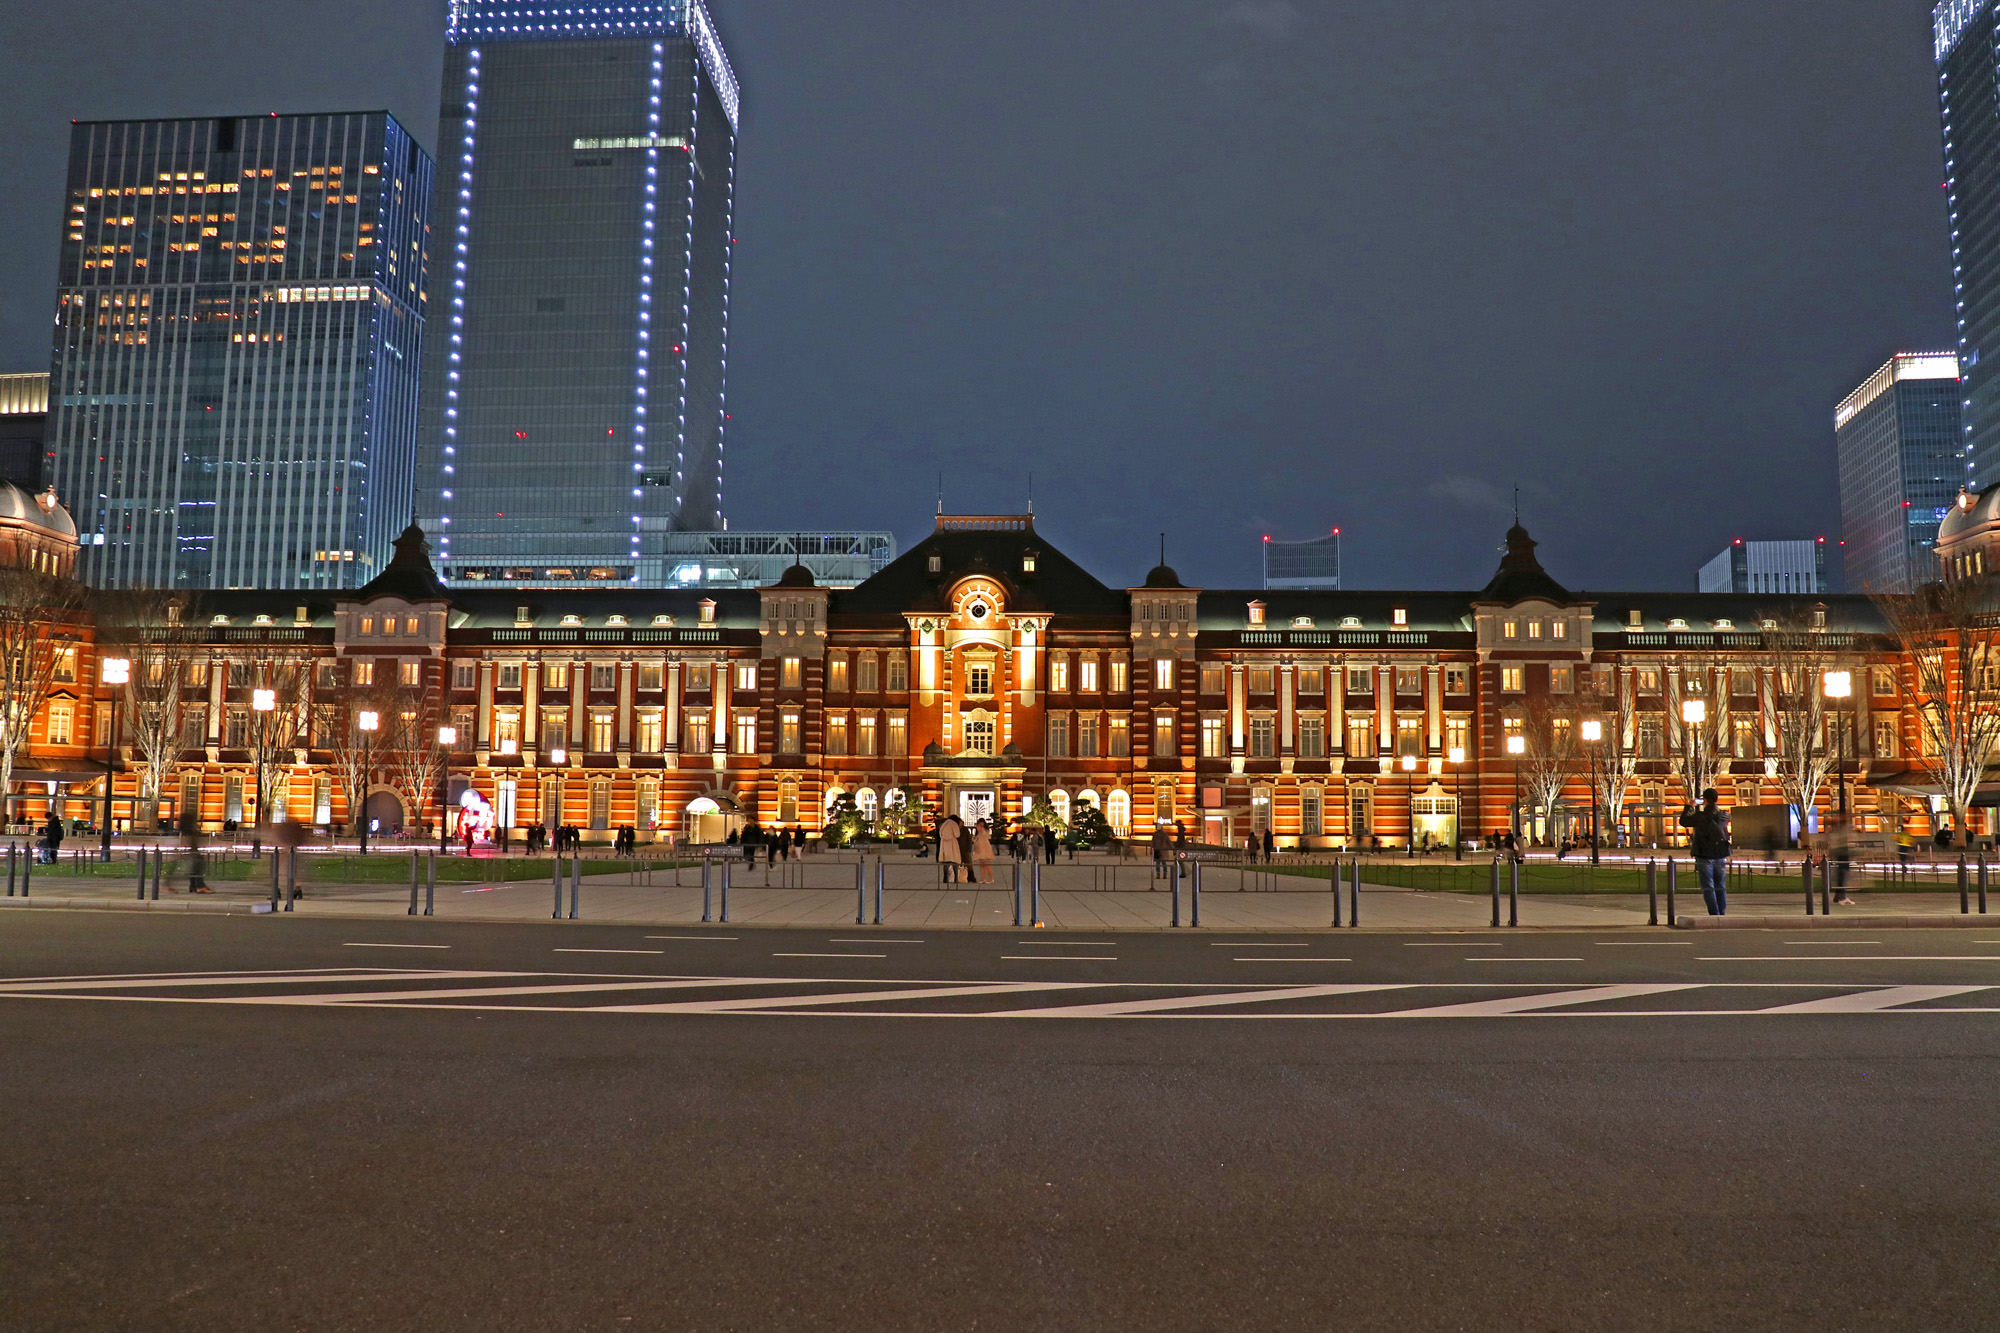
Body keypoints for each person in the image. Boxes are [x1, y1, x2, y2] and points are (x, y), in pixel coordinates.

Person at [1679, 788, 1732, 916]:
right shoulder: (1724, 815)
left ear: (1705, 800)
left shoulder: (1700, 817)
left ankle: (1714, 913)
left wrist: (1690, 806)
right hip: (1720, 853)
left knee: (1708, 886)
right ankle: (1721, 912)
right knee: (1720, 885)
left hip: (1704, 854)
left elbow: (1684, 821)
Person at [937, 813, 963, 883]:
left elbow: (940, 834)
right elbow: (957, 835)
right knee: (955, 861)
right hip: (952, 844)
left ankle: (945, 878)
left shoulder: (944, 824)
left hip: (944, 844)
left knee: (946, 862)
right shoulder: (954, 824)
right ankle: (956, 879)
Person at [972, 818, 995, 884]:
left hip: (985, 848)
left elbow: (987, 836)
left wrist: (980, 827)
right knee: (981, 865)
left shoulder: (985, 830)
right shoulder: (978, 831)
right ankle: (983, 878)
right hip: (979, 847)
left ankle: (991, 879)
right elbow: (975, 837)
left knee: (987, 864)